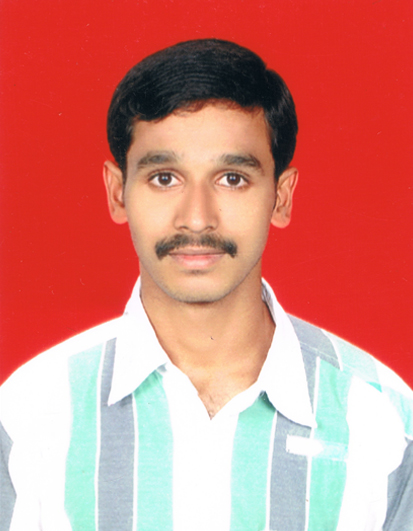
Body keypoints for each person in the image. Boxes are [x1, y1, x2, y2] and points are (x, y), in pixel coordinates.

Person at [0, 39, 412, 531]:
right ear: (117, 192)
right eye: (164, 178)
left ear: (281, 198)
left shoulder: (385, 419)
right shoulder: (28, 416)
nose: (196, 218)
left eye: (232, 178)